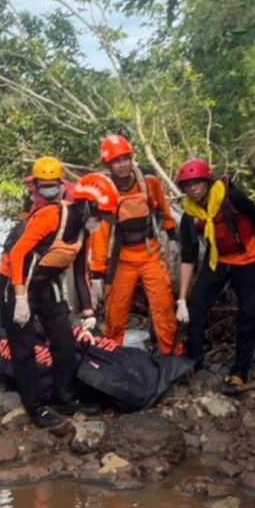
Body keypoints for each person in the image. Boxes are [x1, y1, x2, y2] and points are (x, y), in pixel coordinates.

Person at [0, 159, 118, 428]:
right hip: (17, 281)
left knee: (63, 340)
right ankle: (35, 406)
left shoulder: (83, 231)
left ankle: (65, 394)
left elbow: (80, 272)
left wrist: (88, 311)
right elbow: (18, 253)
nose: (102, 221)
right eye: (101, 215)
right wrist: (19, 297)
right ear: (88, 205)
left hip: (46, 283)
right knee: (24, 347)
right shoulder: (51, 216)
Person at [174, 159, 255, 393]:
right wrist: (182, 299)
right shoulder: (191, 215)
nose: (193, 189)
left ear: (207, 182)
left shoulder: (231, 197)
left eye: (197, 183)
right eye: (188, 185)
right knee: (196, 307)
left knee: (249, 313)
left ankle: (239, 372)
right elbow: (188, 257)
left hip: (248, 257)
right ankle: (194, 361)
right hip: (218, 259)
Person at [88, 134, 182, 354]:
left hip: (150, 254)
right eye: (117, 161)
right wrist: (97, 272)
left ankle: (173, 356)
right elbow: (100, 233)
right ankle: (109, 355)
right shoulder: (104, 191)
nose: (122, 165)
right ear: (108, 164)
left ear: (132, 158)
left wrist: (172, 234)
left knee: (164, 307)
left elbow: (163, 210)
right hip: (121, 259)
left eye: (126, 159)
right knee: (116, 312)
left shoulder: (148, 181)